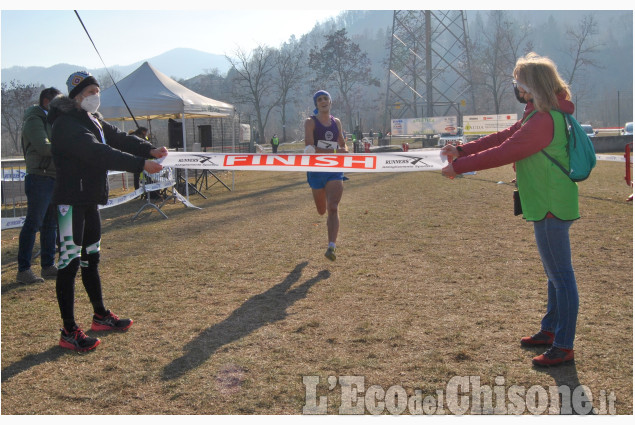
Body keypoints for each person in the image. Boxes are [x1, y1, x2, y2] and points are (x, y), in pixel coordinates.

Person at [441, 52, 580, 367]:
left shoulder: (545, 119)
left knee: (561, 275)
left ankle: (564, 344)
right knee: (553, 274)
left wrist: (460, 166)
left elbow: (506, 151)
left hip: (551, 202)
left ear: (533, 85)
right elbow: (504, 136)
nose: (517, 87)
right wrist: (462, 149)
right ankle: (550, 330)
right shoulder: (537, 114)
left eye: (519, 81)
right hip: (543, 200)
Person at [48, 71, 168, 351]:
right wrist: (140, 165)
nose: (95, 97)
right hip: (70, 201)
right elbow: (98, 152)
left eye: (96, 91)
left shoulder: (94, 120)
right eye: (89, 93)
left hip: (90, 200)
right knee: (69, 263)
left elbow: (117, 138)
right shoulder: (65, 124)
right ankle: (68, 330)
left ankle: (100, 315)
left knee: (92, 258)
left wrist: (150, 150)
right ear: (76, 96)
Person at [16, 87, 62, 284]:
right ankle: (23, 270)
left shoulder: (49, 120)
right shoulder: (35, 119)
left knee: (50, 225)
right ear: (46, 102)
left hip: (52, 176)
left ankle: (48, 265)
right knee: (33, 223)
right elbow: (44, 147)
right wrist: (67, 148)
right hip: (39, 177)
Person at [304, 90, 349, 261]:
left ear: (330, 102)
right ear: (316, 104)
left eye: (326, 98)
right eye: (319, 99)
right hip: (316, 170)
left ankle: (331, 246)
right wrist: (335, 151)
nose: (323, 101)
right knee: (321, 210)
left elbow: (343, 146)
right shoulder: (310, 122)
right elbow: (309, 147)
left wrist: (342, 151)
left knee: (333, 207)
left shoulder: (336, 122)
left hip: (334, 169)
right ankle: (330, 242)